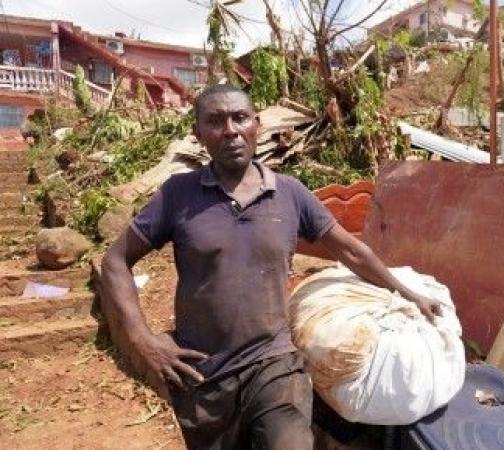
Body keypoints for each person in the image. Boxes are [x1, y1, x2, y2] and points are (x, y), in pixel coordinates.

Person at [100, 84, 441, 450]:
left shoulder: (290, 193)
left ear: (256, 126)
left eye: (240, 118)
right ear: (198, 134)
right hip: (203, 375)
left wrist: (407, 293)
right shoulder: (177, 195)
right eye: (215, 121)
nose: (230, 130)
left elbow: (352, 252)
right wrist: (143, 340)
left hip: (274, 363)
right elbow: (115, 261)